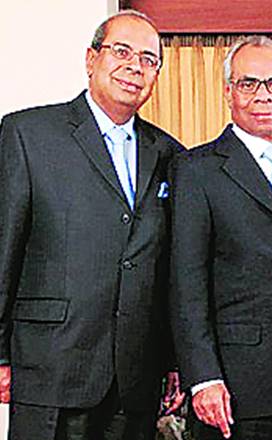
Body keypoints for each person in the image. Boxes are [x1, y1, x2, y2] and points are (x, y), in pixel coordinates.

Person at [0, 10, 184, 440]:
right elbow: (3, 248)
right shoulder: (27, 134)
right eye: (122, 52)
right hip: (49, 367)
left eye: (148, 59)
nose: (135, 67)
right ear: (90, 59)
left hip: (135, 381)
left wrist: (174, 361)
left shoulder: (171, 154)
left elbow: (171, 270)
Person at [169, 36, 272, 440]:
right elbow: (185, 282)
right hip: (236, 387)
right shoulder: (196, 169)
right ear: (229, 91)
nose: (264, 96)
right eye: (249, 83)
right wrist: (203, 376)